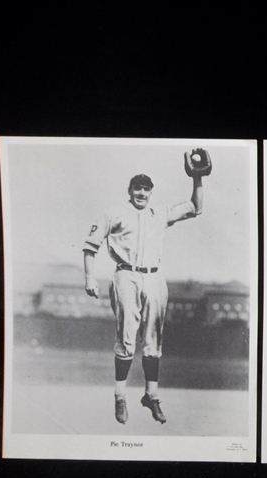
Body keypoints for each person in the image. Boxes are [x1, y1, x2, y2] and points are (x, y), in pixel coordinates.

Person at [82, 149, 210, 425]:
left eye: (146, 189)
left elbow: (195, 208)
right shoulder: (114, 212)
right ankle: (119, 396)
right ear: (129, 191)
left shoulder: (158, 213)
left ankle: (150, 395)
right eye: (137, 189)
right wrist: (90, 277)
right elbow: (90, 246)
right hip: (126, 275)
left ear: (151, 192)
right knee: (127, 338)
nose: (141, 193)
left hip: (154, 277)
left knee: (153, 340)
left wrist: (197, 179)